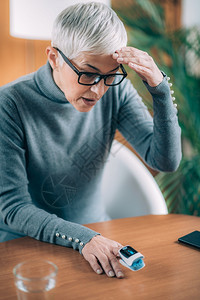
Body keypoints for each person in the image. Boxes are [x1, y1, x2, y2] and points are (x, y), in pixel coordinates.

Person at [0, 2, 181, 279]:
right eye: (88, 73)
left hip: (99, 238)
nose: (98, 90)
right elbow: (12, 209)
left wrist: (161, 92)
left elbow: (165, 161)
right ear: (53, 58)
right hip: (26, 246)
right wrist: (83, 238)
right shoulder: (9, 104)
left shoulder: (114, 93)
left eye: (109, 76)